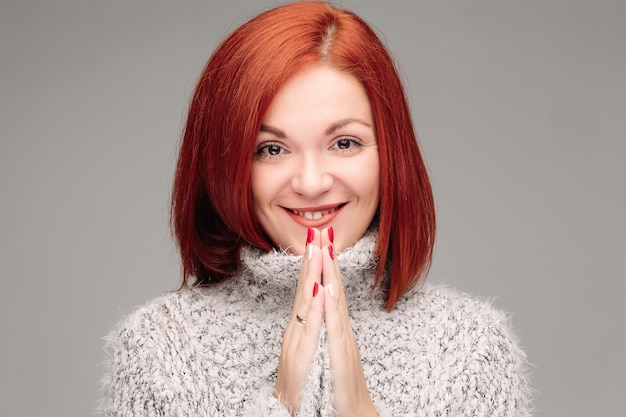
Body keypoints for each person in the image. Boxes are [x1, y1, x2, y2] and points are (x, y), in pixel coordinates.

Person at [101, 2, 531, 416]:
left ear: (391, 156)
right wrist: (282, 403)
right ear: (225, 164)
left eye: (344, 143)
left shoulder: (468, 349)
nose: (311, 183)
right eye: (271, 149)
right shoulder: (161, 351)